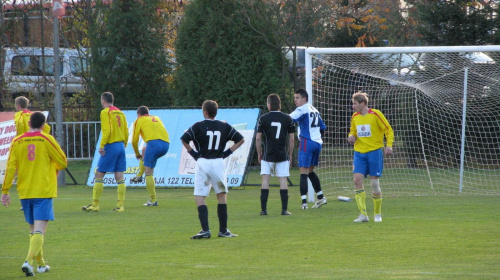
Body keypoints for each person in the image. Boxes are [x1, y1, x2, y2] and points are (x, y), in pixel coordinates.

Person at [1, 112, 67, 276]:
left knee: (33, 230)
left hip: (25, 191)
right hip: (42, 190)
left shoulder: (17, 141)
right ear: (44, 125)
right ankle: (28, 262)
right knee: (40, 230)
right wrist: (52, 166)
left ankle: (41, 264)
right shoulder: (46, 139)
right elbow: (62, 161)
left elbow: (10, 167)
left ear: (29, 123)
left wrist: (5, 190)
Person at [180, 100, 245, 239]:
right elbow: (240, 140)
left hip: (203, 162)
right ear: (216, 111)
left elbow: (184, 139)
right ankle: (223, 230)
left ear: (205, 112)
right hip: (218, 163)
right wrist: (227, 153)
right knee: (221, 195)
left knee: (200, 196)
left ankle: (205, 230)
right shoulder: (224, 126)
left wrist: (194, 154)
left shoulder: (198, 126)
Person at [348, 91, 393, 223]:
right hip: (359, 153)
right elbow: (353, 131)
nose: (353, 106)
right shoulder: (355, 116)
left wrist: (388, 145)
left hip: (374, 152)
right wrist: (351, 136)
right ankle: (363, 214)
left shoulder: (376, 114)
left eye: (355, 104)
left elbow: (388, 129)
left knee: (374, 184)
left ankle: (377, 213)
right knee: (357, 180)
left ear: (362, 104)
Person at [82, 92, 128, 212]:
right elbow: (126, 130)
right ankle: (120, 205)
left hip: (111, 145)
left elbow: (106, 131)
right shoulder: (120, 112)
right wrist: (125, 144)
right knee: (119, 175)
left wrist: (102, 146)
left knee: (99, 173)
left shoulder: (105, 112)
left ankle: (95, 204)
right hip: (121, 146)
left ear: (103, 100)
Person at [256, 93, 295, 216]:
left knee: (265, 180)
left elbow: (258, 138)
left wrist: (259, 153)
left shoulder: (263, 118)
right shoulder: (288, 118)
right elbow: (292, 139)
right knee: (283, 180)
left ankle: (263, 210)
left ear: (268, 104)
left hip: (267, 154)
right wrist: (290, 154)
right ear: (279, 105)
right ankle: (284, 210)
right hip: (282, 154)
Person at [289, 89, 327, 210]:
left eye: (297, 98)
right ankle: (320, 197)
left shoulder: (302, 109)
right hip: (317, 143)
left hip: (307, 142)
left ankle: (304, 203)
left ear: (304, 99)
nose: (295, 100)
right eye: (294, 98)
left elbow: (290, 119)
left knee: (303, 172)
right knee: (310, 171)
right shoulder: (314, 109)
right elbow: (323, 126)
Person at [131, 106, 170, 206]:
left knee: (149, 172)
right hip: (166, 145)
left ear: (138, 114)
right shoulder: (156, 118)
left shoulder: (139, 120)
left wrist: (136, 153)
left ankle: (153, 200)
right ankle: (139, 175)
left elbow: (134, 141)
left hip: (154, 145)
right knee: (144, 149)